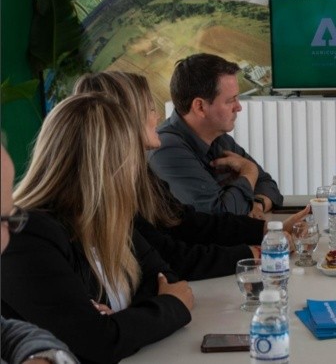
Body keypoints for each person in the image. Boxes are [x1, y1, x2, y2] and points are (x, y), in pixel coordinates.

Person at [1, 94, 194, 364]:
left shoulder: (108, 217)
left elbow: (165, 277)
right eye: (132, 157)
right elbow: (98, 343)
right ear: (111, 166)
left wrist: (124, 322)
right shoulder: (28, 235)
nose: (137, 169)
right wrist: (169, 307)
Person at [73, 71, 308, 280]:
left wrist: (268, 230)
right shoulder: (165, 151)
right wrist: (258, 251)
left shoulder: (216, 141)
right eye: (150, 109)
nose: (157, 117)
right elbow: (176, 253)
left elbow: (189, 221)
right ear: (123, 121)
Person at [148, 53, 283, 217]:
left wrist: (257, 204)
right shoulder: (166, 149)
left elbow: (268, 186)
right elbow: (220, 216)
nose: (238, 107)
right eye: (230, 100)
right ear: (200, 107)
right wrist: (249, 172)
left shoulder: (218, 138)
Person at [1, 145, 79, 364]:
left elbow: (9, 332)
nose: (8, 238)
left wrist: (44, 357)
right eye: (5, 219)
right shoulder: (35, 237)